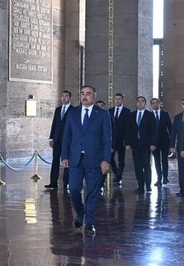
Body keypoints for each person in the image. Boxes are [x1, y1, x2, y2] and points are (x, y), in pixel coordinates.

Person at [61, 85, 112, 235]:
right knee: (74, 189)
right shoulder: (73, 113)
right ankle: (81, 212)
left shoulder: (102, 114)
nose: (85, 96)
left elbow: (107, 139)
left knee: (93, 191)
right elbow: (66, 137)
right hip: (75, 158)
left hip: (95, 159)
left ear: (94, 96)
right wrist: (64, 156)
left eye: (88, 94)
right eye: (82, 93)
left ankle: (89, 221)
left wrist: (106, 160)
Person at [126, 96, 157, 193]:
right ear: (136, 103)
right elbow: (128, 130)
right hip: (135, 144)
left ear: (145, 103)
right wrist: (127, 143)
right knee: (137, 165)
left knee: (146, 164)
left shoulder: (150, 115)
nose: (140, 103)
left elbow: (154, 130)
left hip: (146, 144)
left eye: (142, 101)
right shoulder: (131, 115)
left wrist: (153, 143)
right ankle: (140, 185)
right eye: (138, 101)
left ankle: (148, 185)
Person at [45, 90, 73, 190]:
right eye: (62, 96)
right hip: (57, 139)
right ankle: (53, 182)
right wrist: (51, 138)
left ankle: (67, 183)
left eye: (66, 96)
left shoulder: (73, 110)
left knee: (67, 161)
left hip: (68, 140)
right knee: (55, 160)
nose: (64, 98)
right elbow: (54, 125)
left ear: (70, 98)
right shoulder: (58, 110)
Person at [169, 97, 184, 195]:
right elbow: (173, 132)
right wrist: (172, 145)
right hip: (180, 146)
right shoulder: (178, 117)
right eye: (183, 104)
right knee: (182, 169)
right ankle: (183, 189)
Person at [108, 93, 131, 186]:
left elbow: (128, 127)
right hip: (112, 140)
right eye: (116, 99)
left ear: (123, 100)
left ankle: (118, 176)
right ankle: (117, 173)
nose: (117, 100)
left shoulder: (127, 111)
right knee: (110, 158)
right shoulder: (110, 111)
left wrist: (127, 140)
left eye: (119, 99)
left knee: (121, 159)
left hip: (122, 140)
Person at [150, 97, 172, 185]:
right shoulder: (149, 115)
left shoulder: (165, 114)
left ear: (160, 104)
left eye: (157, 102)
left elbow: (170, 127)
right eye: (153, 103)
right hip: (154, 141)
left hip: (165, 140)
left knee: (164, 159)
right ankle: (159, 178)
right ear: (151, 105)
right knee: (156, 160)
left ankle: (165, 177)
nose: (155, 104)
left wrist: (172, 142)